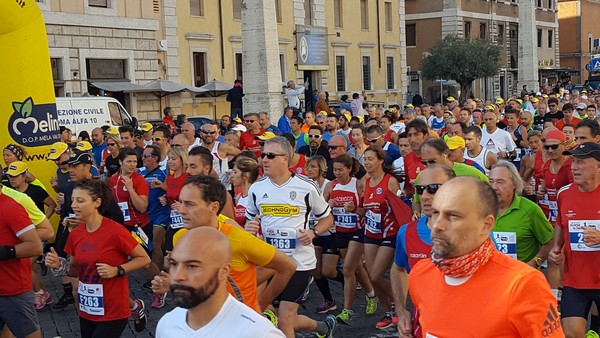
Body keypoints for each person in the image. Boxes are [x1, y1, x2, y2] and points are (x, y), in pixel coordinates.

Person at [408, 177, 564, 337]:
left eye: (453, 216)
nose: (437, 225)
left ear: (486, 225)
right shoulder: (420, 274)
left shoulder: (523, 284)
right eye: (435, 213)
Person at [244, 137, 337, 338]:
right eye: (262, 155)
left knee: (285, 318)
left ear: (285, 158)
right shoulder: (257, 188)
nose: (264, 160)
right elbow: (249, 222)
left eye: (270, 155)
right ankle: (323, 327)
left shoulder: (306, 186)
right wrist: (250, 228)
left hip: (300, 263)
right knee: (284, 318)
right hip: (271, 263)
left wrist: (313, 233)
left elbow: (327, 218)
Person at [45, 179, 151, 338]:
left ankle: (135, 308)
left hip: (113, 309)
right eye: (72, 200)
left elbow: (144, 259)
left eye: (80, 200)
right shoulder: (75, 233)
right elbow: (75, 271)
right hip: (88, 309)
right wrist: (59, 265)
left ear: (97, 202)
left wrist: (118, 270)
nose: (73, 205)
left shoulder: (115, 231)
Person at [155, 227, 285, 338]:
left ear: (223, 271)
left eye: (192, 266)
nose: (178, 276)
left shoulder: (258, 332)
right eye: (174, 264)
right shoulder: (167, 325)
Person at [391, 165, 455, 336]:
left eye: (433, 189)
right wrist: (401, 310)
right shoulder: (406, 232)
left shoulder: (476, 235)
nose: (425, 196)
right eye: (420, 189)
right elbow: (398, 269)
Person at [549, 142, 600, 338]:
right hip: (575, 280)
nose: (574, 166)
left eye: (581, 162)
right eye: (573, 161)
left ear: (597, 166)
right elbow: (561, 224)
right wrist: (556, 247)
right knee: (571, 333)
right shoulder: (564, 194)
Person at [322, 155, 377, 325]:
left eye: (340, 169)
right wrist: (328, 204)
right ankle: (372, 295)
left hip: (358, 231)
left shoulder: (358, 184)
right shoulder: (332, 185)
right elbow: (321, 211)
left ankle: (347, 310)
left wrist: (355, 209)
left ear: (349, 169)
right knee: (357, 268)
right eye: (334, 170)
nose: (336, 173)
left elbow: (366, 211)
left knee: (347, 269)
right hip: (340, 231)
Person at [362, 146, 401, 329]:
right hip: (371, 231)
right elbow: (365, 209)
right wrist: (355, 210)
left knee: (377, 275)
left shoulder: (390, 181)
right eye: (365, 159)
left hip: (389, 231)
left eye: (370, 159)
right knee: (371, 276)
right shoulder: (365, 182)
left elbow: (400, 209)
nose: (367, 163)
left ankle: (399, 306)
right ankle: (388, 312)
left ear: (380, 160)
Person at [0, 181, 43, 338]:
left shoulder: (10, 207)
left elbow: (35, 246)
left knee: (27, 333)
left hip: (13, 289)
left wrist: (4, 251)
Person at [489, 161, 554, 265]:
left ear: (514, 184)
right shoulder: (481, 209)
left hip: (520, 277)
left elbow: (550, 241)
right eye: (491, 181)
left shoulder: (530, 210)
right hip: (491, 275)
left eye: (500, 182)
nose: (494, 187)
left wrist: (535, 262)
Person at [303, 155, 341, 314]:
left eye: (313, 167)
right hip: (315, 232)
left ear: (321, 169)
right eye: (308, 167)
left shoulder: (328, 184)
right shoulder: (304, 185)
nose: (309, 170)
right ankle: (329, 300)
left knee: (329, 271)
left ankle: (353, 282)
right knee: (316, 271)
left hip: (332, 231)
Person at [138, 145, 171, 309]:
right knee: (145, 248)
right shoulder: (139, 173)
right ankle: (157, 274)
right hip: (144, 215)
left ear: (156, 158)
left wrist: (165, 192)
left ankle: (156, 281)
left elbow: (174, 189)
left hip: (161, 214)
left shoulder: (164, 173)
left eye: (146, 156)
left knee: (156, 245)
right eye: (142, 156)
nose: (143, 158)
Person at [154, 147, 188, 252]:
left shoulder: (188, 178)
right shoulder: (169, 179)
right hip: (173, 221)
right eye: (169, 159)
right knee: (169, 250)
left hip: (186, 220)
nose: (170, 161)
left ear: (182, 160)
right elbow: (172, 196)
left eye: (173, 159)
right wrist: (165, 199)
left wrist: (182, 205)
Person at [230, 156, 260, 227]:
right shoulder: (238, 197)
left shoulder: (256, 197)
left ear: (246, 175)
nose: (232, 176)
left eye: (235, 172)